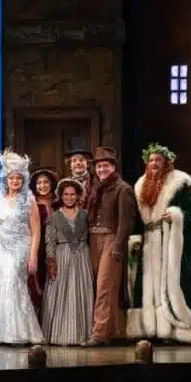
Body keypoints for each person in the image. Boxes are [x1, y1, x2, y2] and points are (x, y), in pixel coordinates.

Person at [127, 144, 191, 343]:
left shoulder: (178, 184)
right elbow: (138, 219)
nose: (154, 163)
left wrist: (176, 216)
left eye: (158, 160)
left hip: (171, 243)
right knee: (149, 286)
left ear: (166, 162)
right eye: (151, 160)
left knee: (172, 284)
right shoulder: (141, 185)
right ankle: (152, 330)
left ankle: (177, 331)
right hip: (150, 243)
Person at [0, 149, 45, 346]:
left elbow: (36, 231)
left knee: (13, 282)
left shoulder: (29, 200)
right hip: (1, 249)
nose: (15, 181)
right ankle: (1, 333)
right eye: (12, 178)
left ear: (23, 180)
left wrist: (33, 256)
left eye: (19, 178)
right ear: (6, 180)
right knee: (2, 286)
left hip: (21, 248)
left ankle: (19, 332)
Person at [83, 146, 136, 346]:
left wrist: (118, 246)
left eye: (106, 166)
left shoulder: (123, 189)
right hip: (94, 239)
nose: (102, 169)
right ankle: (114, 331)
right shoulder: (97, 188)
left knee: (105, 287)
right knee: (103, 286)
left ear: (113, 166)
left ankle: (99, 334)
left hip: (111, 239)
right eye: (99, 166)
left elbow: (126, 222)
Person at [42, 179, 93, 345]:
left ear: (78, 196)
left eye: (72, 194)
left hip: (82, 257)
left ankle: (81, 335)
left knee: (80, 292)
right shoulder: (54, 217)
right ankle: (60, 335)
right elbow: (49, 242)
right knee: (61, 294)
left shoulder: (85, 214)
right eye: (66, 194)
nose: (69, 197)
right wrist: (51, 262)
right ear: (61, 196)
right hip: (61, 256)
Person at [28, 167, 58, 317]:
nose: (42, 185)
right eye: (39, 183)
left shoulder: (59, 203)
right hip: (37, 248)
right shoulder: (31, 204)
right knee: (36, 284)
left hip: (56, 248)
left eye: (46, 182)